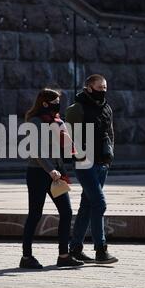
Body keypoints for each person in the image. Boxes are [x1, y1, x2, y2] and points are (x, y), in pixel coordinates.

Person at [20, 88, 84, 269]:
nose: (58, 105)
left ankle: (63, 255)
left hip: (55, 173)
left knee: (66, 212)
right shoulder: (34, 122)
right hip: (38, 174)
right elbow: (37, 151)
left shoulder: (57, 122)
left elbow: (61, 149)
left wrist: (63, 168)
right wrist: (50, 170)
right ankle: (26, 257)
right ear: (45, 103)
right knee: (35, 214)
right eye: (55, 102)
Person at [66, 74, 119, 264]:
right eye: (99, 88)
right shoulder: (75, 109)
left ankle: (75, 248)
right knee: (99, 204)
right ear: (88, 88)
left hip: (102, 163)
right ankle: (100, 250)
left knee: (87, 205)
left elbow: (110, 133)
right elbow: (68, 138)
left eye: (105, 88)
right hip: (84, 163)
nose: (103, 91)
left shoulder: (107, 108)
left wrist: (109, 158)